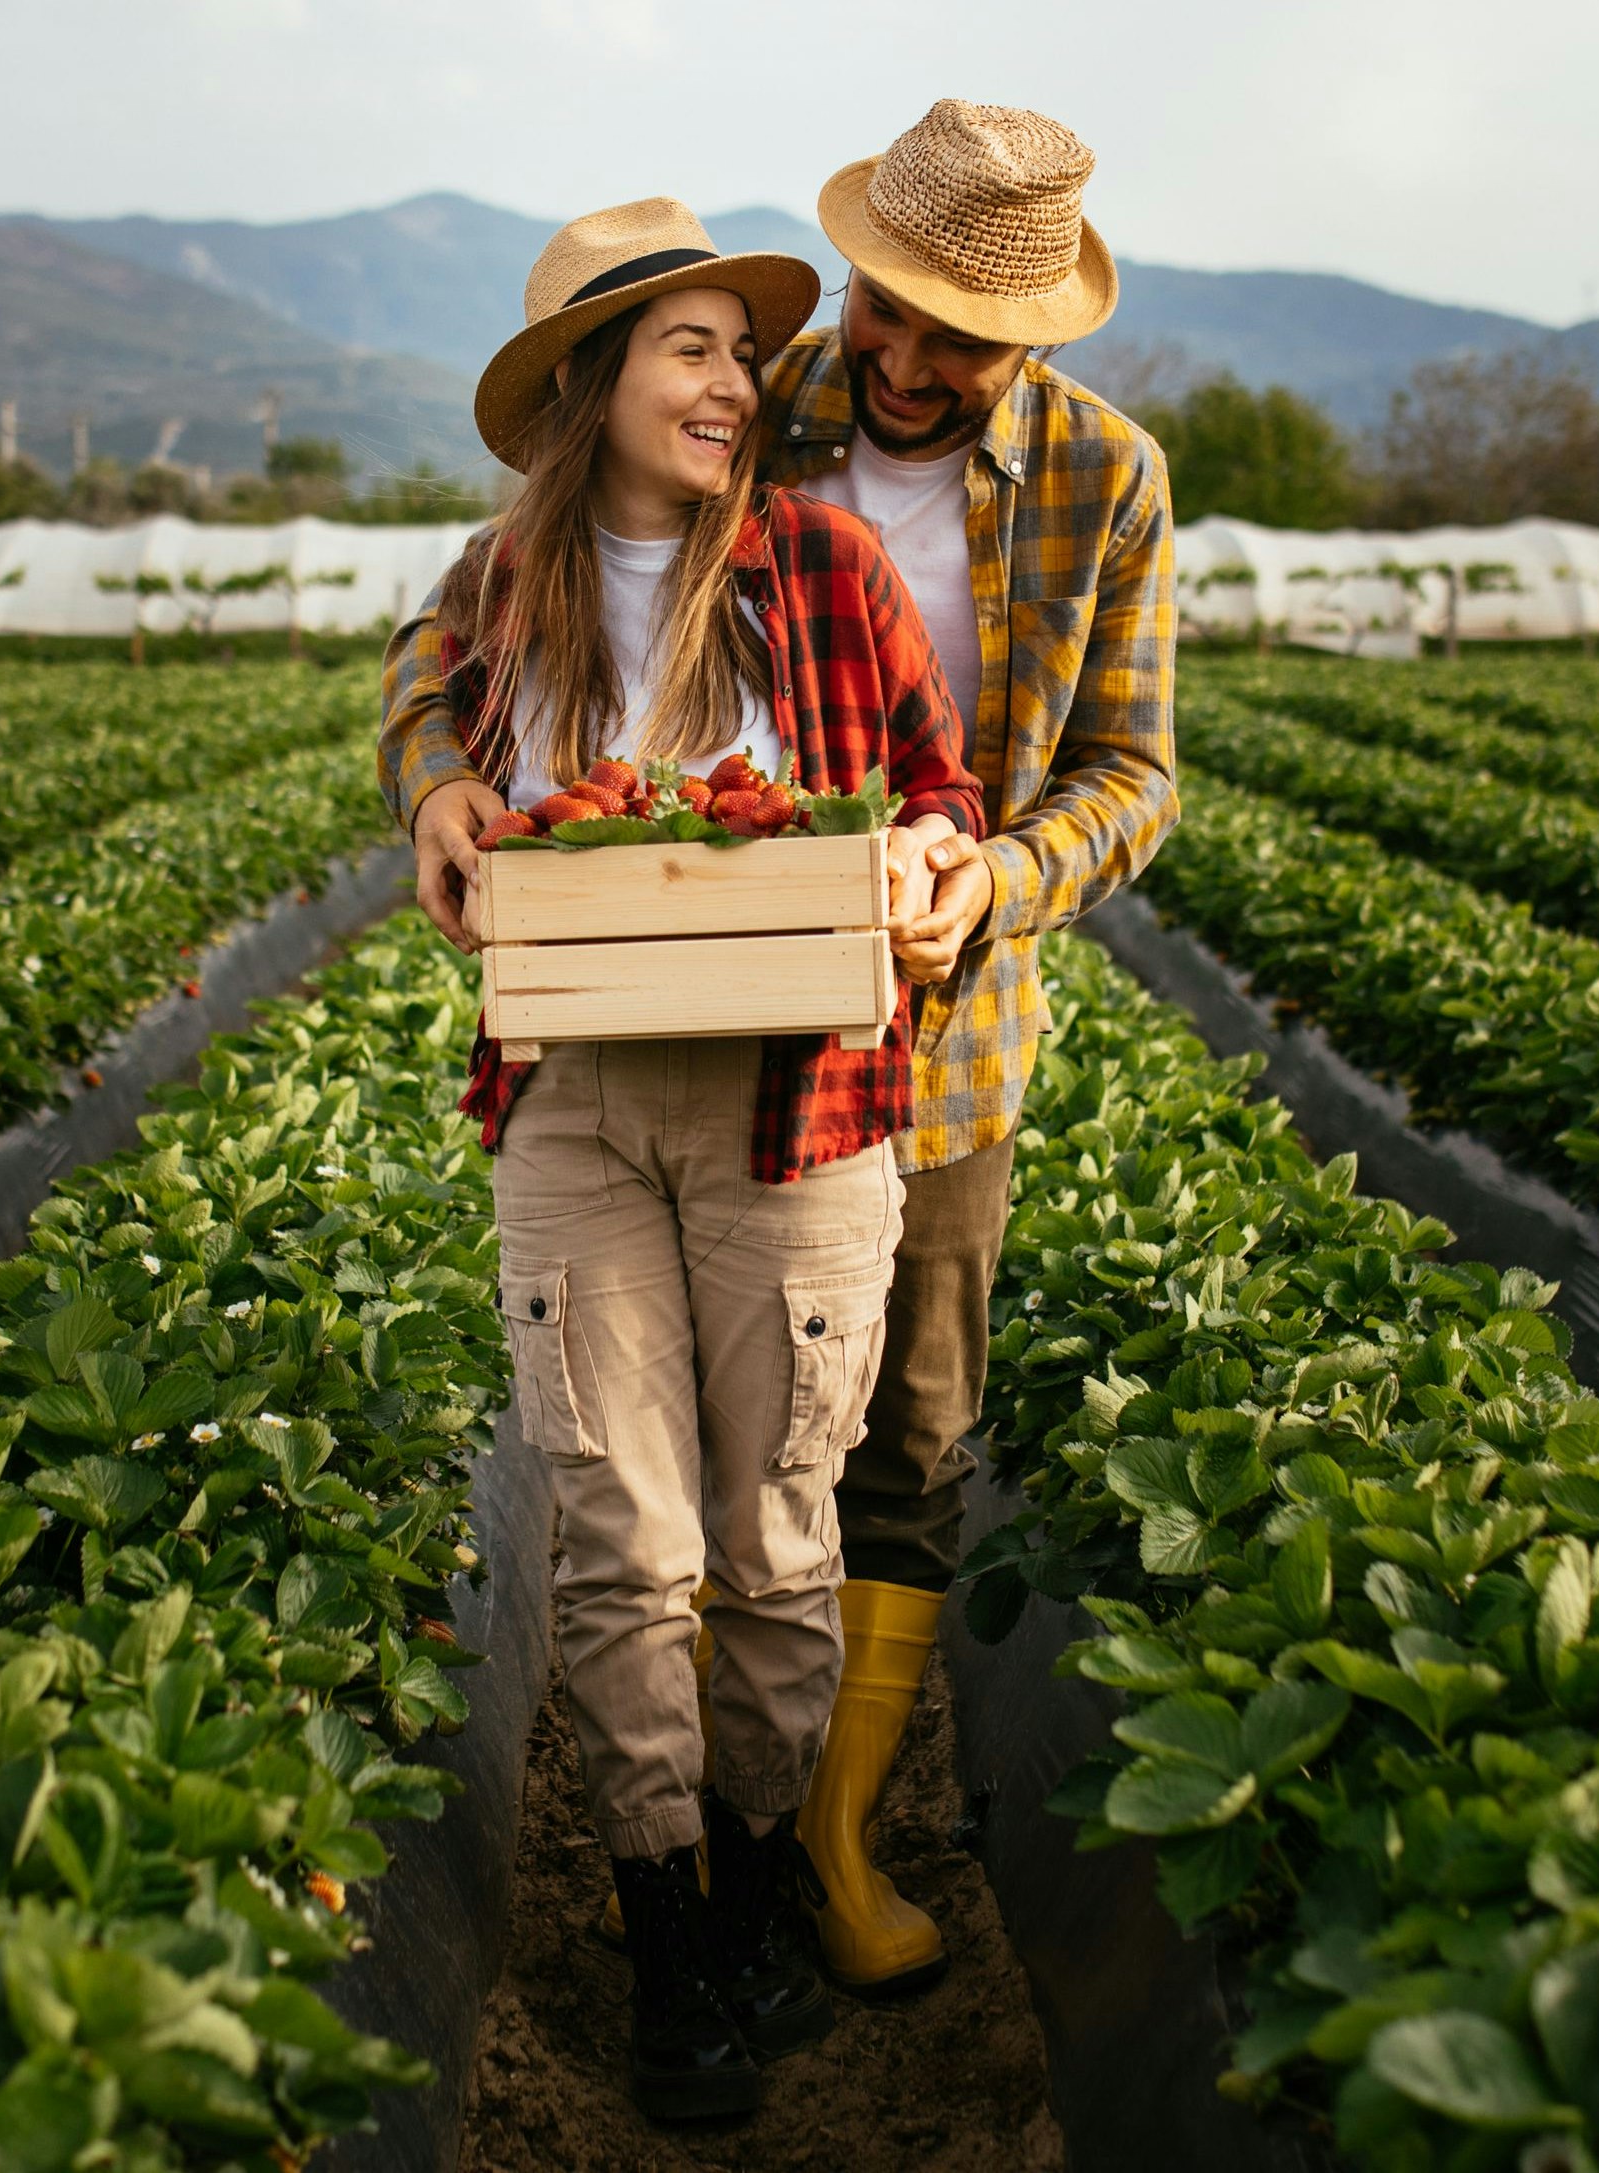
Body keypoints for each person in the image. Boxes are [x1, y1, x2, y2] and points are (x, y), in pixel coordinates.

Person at [391, 104, 1178, 1999]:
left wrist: (978, 870)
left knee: (889, 1445)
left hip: (925, 1030)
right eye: (878, 315)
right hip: (634, 1041)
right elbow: (458, 630)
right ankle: (693, 1861)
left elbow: (1127, 771)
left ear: (1023, 341)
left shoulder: (1100, 480)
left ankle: (817, 1843)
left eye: (950, 343)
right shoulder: (753, 403)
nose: (893, 363)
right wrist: (431, 780)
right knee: (664, 1485)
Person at [389, 198, 984, 2121]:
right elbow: (419, 710)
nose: (739, 385)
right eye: (695, 350)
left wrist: (926, 867)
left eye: (743, 352)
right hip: (570, 1096)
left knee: (780, 1528)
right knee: (621, 1532)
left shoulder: (819, 565)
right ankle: (667, 1922)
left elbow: (941, 790)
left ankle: (745, 1873)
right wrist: (439, 788)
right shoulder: (503, 585)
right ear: (594, 384)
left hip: (792, 1102)